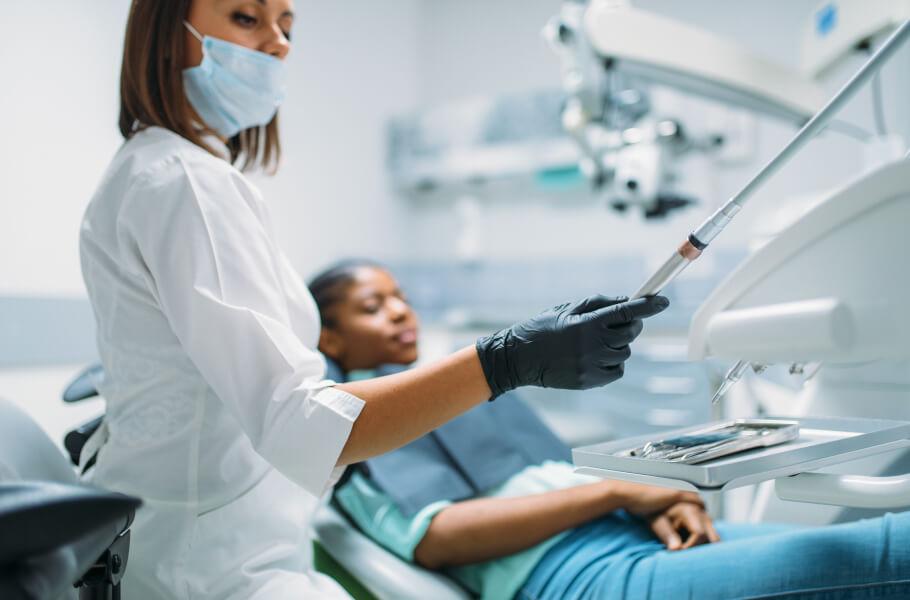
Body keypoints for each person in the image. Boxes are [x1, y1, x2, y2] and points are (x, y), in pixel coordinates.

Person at [77, 1, 669, 598]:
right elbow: (300, 423)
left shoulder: (173, 174)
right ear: (163, 32)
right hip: (204, 568)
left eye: (287, 24)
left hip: (214, 548)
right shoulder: (183, 181)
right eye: (246, 16)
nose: (279, 43)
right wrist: (506, 361)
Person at [312, 261, 910, 600]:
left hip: (635, 536)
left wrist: (652, 505)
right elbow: (434, 536)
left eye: (401, 298)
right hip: (575, 575)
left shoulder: (463, 389)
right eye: (372, 306)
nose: (399, 312)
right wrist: (622, 490)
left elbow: (547, 476)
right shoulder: (353, 428)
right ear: (328, 340)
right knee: (882, 553)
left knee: (881, 550)